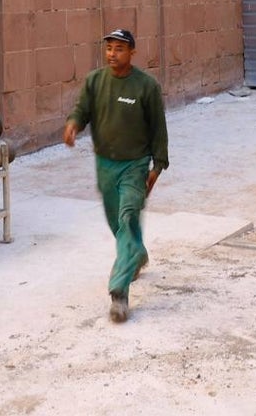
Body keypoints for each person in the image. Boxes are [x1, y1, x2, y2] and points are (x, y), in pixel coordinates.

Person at [63, 28, 169, 323]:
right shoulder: (95, 82)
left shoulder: (146, 86)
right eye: (109, 48)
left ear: (132, 53)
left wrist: (157, 167)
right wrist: (73, 124)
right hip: (105, 165)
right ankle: (137, 253)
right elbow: (81, 110)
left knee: (126, 217)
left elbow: (159, 129)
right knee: (119, 223)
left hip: (135, 165)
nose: (113, 53)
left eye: (119, 48)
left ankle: (119, 293)